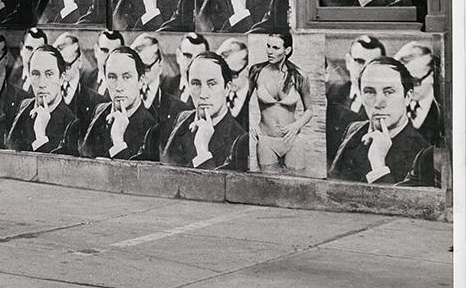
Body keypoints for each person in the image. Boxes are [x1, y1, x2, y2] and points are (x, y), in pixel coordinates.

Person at [328, 57, 432, 185]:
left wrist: (378, 165)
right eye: (370, 92)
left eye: (389, 92)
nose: (378, 103)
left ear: (408, 97)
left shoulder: (424, 154)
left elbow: (402, 204)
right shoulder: (354, 129)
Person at [161, 52, 248, 170]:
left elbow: (221, 188)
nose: (203, 94)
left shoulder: (240, 141)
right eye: (196, 83)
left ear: (227, 89)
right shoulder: (182, 118)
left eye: (211, 84)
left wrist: (203, 151)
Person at [80, 46, 160, 161]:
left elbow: (139, 177)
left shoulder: (153, 129)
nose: (119, 87)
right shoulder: (100, 110)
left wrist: (118, 142)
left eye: (127, 77)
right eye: (112, 77)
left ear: (141, 81)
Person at [249, 30, 313, 172]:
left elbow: (309, 110)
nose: (269, 52)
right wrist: (251, 123)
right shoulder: (256, 72)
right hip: (266, 140)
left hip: (292, 140)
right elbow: (243, 102)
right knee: (268, 183)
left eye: (275, 48)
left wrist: (296, 126)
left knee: (297, 183)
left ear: (287, 50)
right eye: (268, 46)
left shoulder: (300, 76)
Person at [5, 45, 78, 155]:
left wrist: (40, 137)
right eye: (35, 74)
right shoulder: (24, 106)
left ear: (62, 78)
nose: (41, 83)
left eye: (49, 74)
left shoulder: (71, 124)